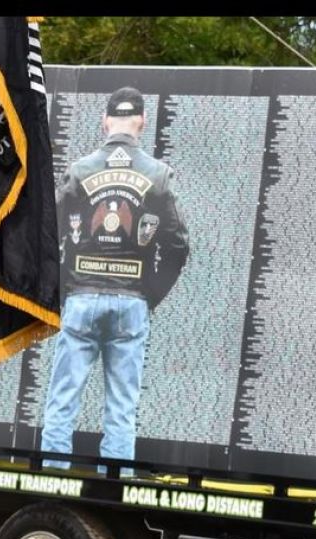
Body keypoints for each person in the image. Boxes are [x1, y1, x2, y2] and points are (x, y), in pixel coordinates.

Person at [40, 87, 189, 475]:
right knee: (122, 406)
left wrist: (64, 289)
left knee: (62, 399)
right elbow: (177, 245)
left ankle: (52, 480)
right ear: (141, 122)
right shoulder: (157, 174)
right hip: (131, 302)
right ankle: (114, 486)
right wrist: (149, 295)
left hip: (82, 296)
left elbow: (48, 233)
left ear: (105, 122)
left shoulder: (80, 170)